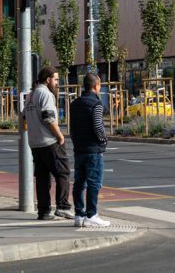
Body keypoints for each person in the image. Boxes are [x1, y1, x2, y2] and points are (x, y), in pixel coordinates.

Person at [23, 66, 72, 221]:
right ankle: (62, 207)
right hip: (49, 141)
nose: (57, 83)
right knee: (63, 173)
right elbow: (49, 118)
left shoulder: (31, 95)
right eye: (56, 79)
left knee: (42, 177)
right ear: (48, 79)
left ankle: (44, 211)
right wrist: (60, 136)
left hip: (35, 143)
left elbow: (24, 117)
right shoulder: (45, 94)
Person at [69, 72, 109, 228]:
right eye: (99, 86)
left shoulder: (74, 104)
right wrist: (104, 140)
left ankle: (79, 214)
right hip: (93, 150)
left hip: (79, 149)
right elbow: (98, 125)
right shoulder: (96, 104)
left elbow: (72, 128)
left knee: (79, 183)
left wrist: (76, 141)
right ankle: (92, 215)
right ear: (96, 86)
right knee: (94, 183)